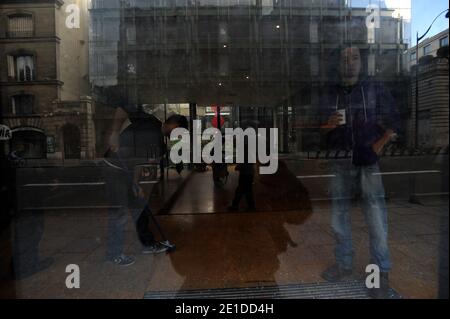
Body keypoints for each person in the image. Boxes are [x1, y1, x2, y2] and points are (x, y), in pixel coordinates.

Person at [319, 46, 400, 298]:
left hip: (368, 162)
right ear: (339, 63)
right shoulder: (330, 92)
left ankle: (380, 273)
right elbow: (317, 130)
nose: (350, 62)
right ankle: (344, 264)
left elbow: (395, 121)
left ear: (362, 62)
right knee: (339, 217)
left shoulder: (374, 88)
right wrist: (326, 126)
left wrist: (378, 145)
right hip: (340, 162)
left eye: (354, 58)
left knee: (376, 219)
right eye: (345, 58)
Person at [104, 94, 188, 267]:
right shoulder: (149, 121)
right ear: (173, 124)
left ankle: (147, 243)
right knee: (119, 213)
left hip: (129, 173)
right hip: (114, 167)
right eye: (179, 132)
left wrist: (137, 184)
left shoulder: (160, 145)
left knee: (140, 208)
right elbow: (122, 106)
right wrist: (114, 133)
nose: (177, 136)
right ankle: (114, 254)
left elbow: (142, 165)